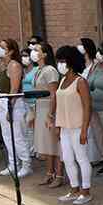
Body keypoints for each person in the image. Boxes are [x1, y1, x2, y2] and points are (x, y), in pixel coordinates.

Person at [53, 45, 93, 205]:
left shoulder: (80, 82)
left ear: (70, 61)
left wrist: (84, 130)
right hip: (64, 127)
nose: (60, 64)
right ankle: (74, 188)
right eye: (59, 61)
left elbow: (87, 107)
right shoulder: (62, 80)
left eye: (63, 61)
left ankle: (86, 190)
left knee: (82, 158)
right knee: (68, 159)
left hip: (77, 126)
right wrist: (56, 124)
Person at [0, 38, 31, 179]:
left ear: (10, 51)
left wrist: (10, 108)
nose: (0, 49)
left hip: (14, 102)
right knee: (7, 136)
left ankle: (26, 164)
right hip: (2, 99)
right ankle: (13, 163)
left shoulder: (14, 65)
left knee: (17, 136)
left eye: (3, 47)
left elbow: (14, 89)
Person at [32, 42, 63, 188]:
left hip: (48, 109)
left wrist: (51, 114)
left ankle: (59, 175)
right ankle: (49, 173)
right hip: (40, 108)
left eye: (37, 50)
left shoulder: (50, 70)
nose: (33, 52)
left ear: (44, 54)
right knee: (46, 144)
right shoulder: (39, 69)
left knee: (54, 144)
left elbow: (53, 94)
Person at [82, 37, 103, 174]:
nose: (98, 54)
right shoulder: (95, 67)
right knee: (99, 135)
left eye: (101, 51)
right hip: (93, 108)